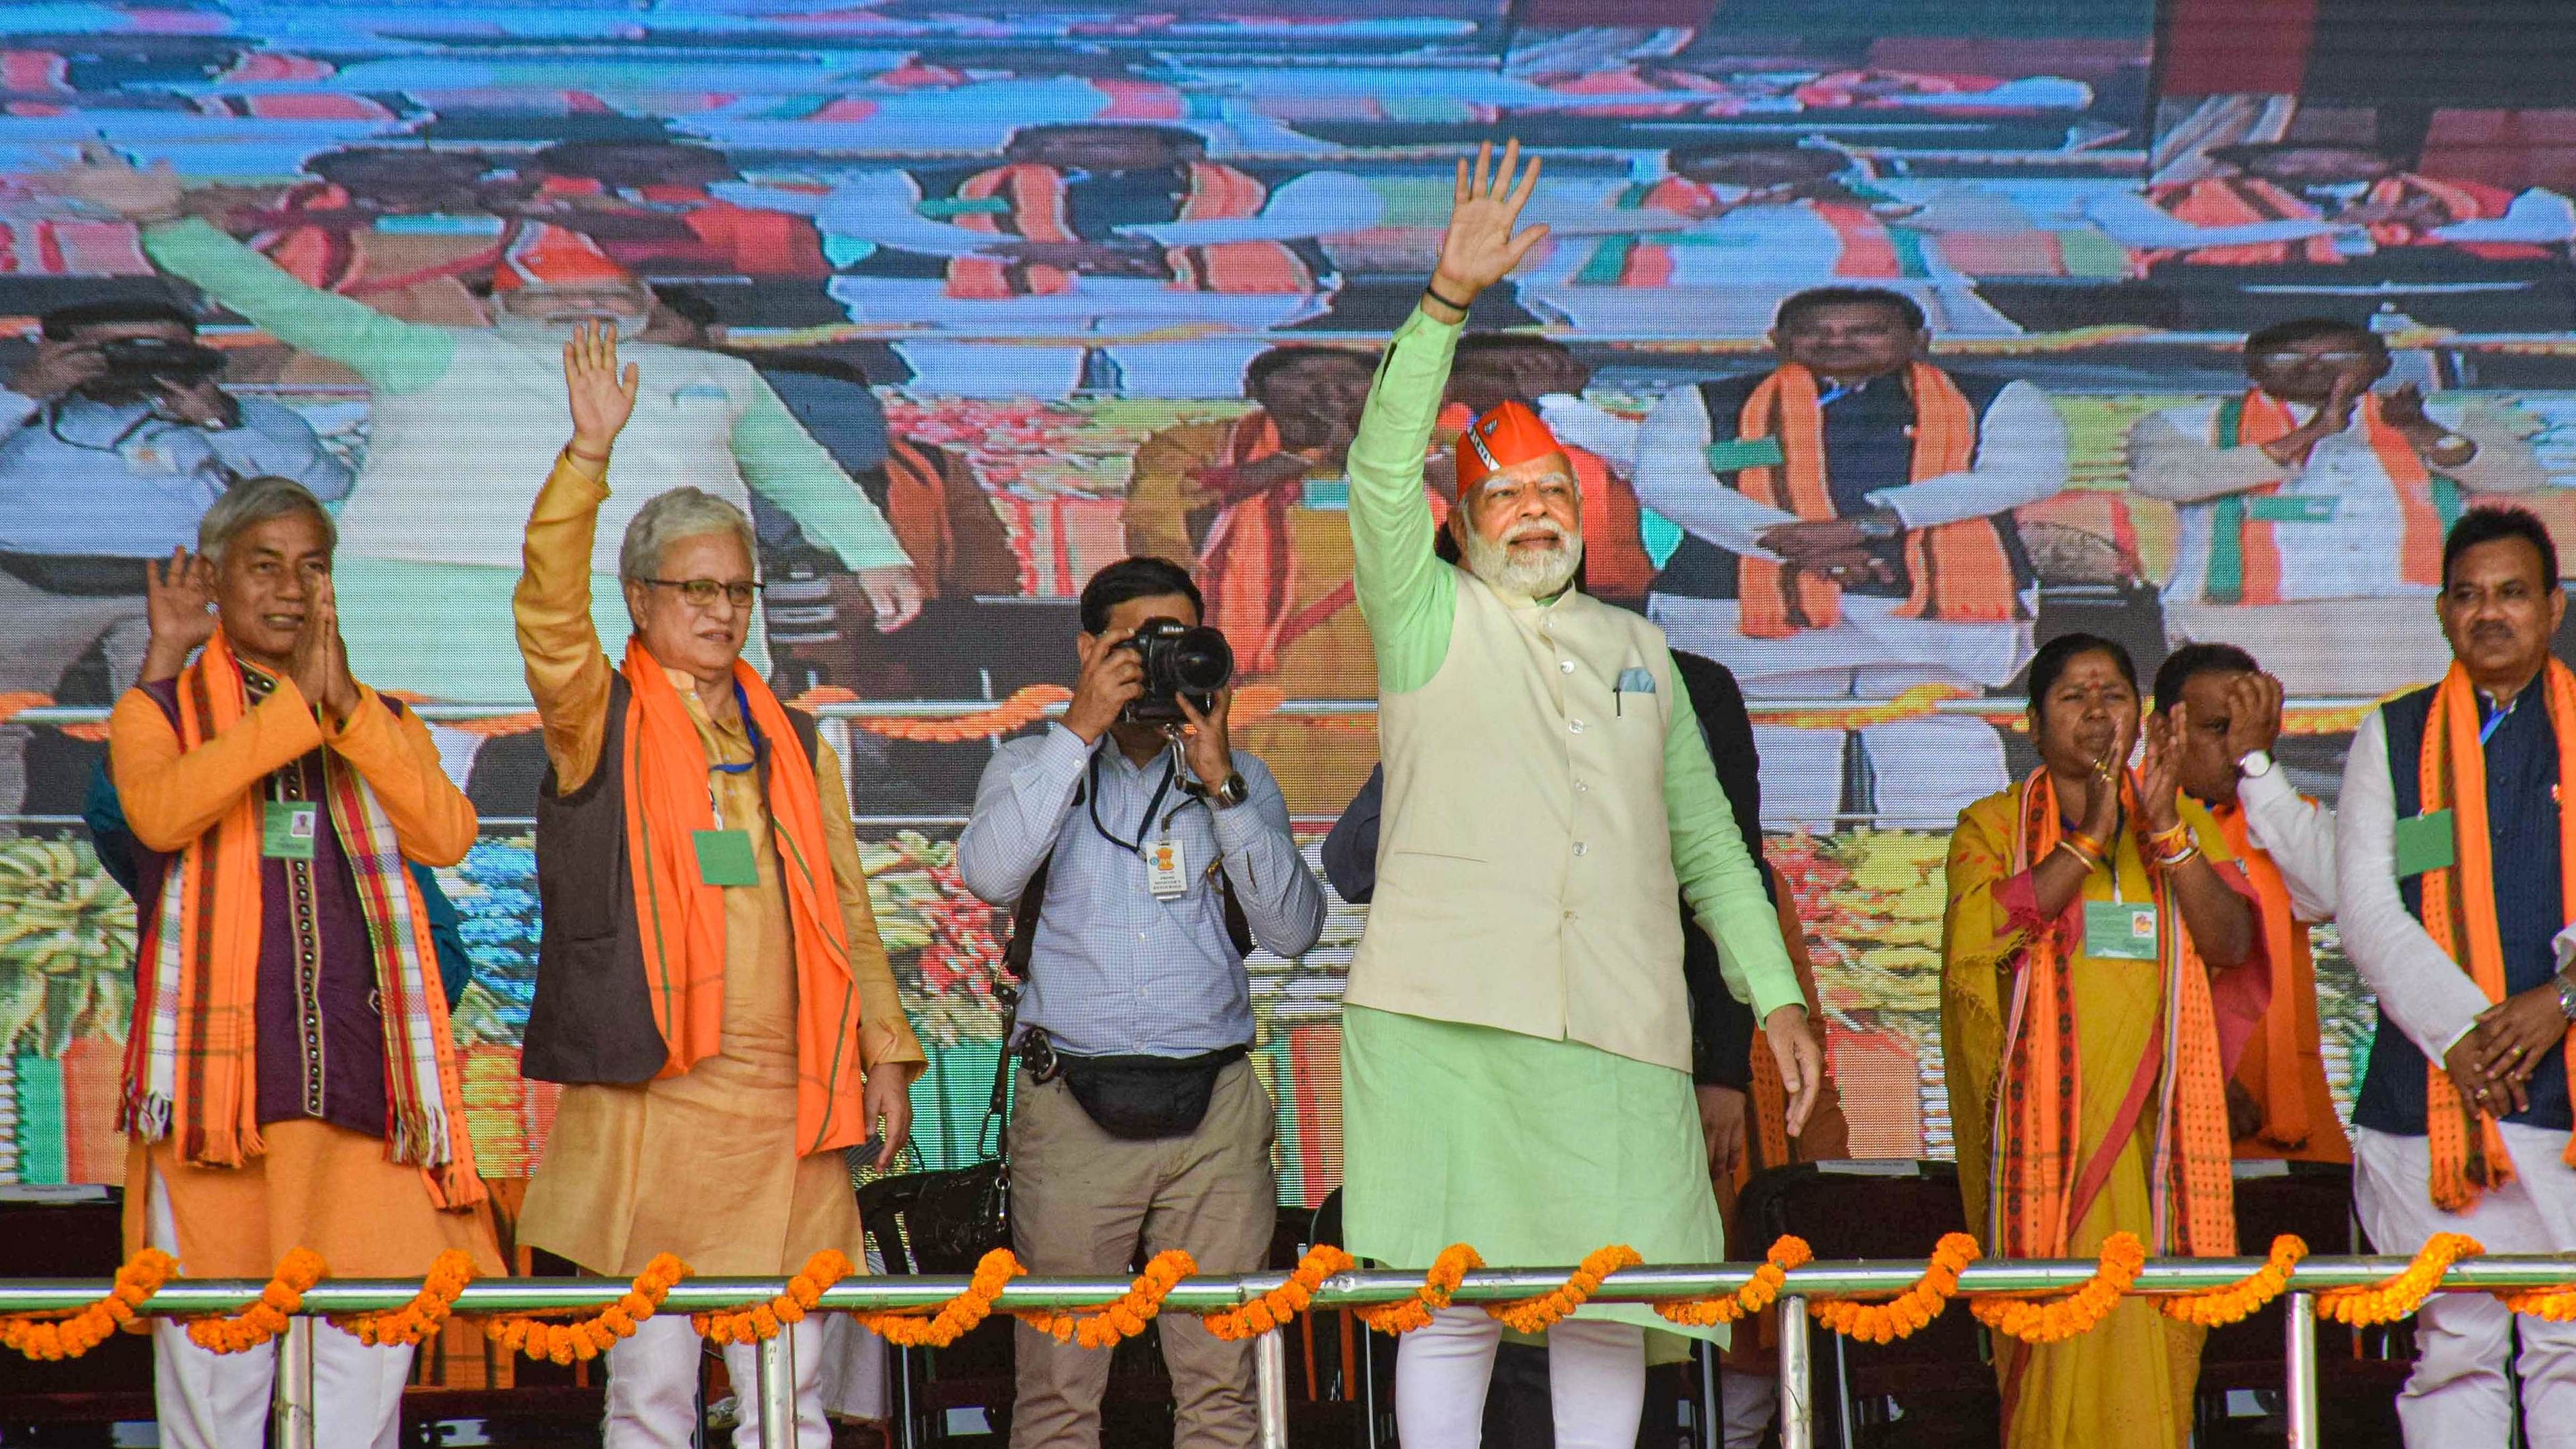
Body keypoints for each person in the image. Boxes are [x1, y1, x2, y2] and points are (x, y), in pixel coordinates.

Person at [1338, 140, 1820, 1448]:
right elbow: (1379, 473)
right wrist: (1446, 301)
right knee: (1453, 1304)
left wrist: (1772, 995)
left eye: (1556, 491)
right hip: (1445, 1027)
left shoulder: (1642, 653)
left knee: (1610, 1301)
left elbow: (1711, 848)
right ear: (1466, 518)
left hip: (1617, 1028)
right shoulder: (1424, 619)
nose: (1538, 511)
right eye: (1510, 495)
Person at [38, 146, 925, 706]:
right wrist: (166, 223)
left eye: (603, 295)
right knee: (413, 795)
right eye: (555, 295)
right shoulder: (426, 352)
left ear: (644, 307)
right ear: (503, 307)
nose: (580, 308)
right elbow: (283, 304)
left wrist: (876, 553)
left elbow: (802, 472)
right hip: (434, 608)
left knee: (653, 804)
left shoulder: (716, 376)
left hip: (642, 606)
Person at [512, 325, 926, 1449]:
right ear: (639, 599)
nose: (719, 611)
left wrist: (883, 1051)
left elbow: (847, 909)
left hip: (789, 1103)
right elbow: (545, 613)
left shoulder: (791, 739)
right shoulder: (598, 715)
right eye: (693, 589)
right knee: (651, 1389)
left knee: (786, 1393)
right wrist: (588, 457)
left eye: (736, 590)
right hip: (660, 1090)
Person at [1321, 645, 1847, 1448]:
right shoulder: (1449, 683)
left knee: (1607, 1302)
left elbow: (1725, 865)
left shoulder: (1677, 683)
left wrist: (1727, 1061)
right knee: (1456, 1311)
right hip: (1472, 1068)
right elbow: (1352, 866)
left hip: (1620, 1061)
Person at [104, 475, 501, 1448]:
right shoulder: (155, 712)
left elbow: (448, 833)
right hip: (220, 1115)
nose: (289, 590)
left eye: (311, 568)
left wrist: (348, 711)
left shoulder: (378, 718)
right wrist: (294, 715)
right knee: (214, 1408)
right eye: (265, 566)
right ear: (220, 583)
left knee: (358, 1407)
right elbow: (159, 815)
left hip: (366, 1108)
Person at [953, 554, 1325, 1449]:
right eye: (1138, 643)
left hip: (1215, 1115)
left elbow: (1293, 931)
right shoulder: (1029, 764)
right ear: (1088, 648)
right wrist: (1078, 731)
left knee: (1221, 1388)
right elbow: (990, 874)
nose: (1161, 662)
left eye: (1179, 642)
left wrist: (1222, 783)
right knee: (1058, 1389)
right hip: (1073, 1104)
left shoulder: (1237, 774)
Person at [1942, 632, 2269, 1448]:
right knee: (2056, 1366)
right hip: (2043, 1155)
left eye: (2113, 695)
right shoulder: (1987, 827)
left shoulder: (2183, 817)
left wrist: (2164, 834)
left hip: (2156, 1148)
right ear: (2031, 723)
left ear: (2143, 715)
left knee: (2147, 1368)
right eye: (2073, 697)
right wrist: (2089, 835)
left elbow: (2231, 942)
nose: (2096, 714)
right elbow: (1989, 932)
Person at [1632, 285, 2069, 828]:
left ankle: (1932, 892)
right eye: (1818, 330)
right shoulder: (1702, 400)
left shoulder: (2000, 397)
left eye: (1865, 329)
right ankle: (1788, 893)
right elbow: (1665, 483)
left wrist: (1877, 522)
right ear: (1777, 340)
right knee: (1771, 760)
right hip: (1751, 617)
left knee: (1938, 752)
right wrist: (1787, 538)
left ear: (1920, 339)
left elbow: (2028, 473)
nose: (1838, 342)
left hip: (1929, 621)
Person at [2337, 505, 2576, 1444]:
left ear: (2552, 609)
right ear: (2440, 614)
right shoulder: (2392, 735)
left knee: (2569, 1340)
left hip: (2564, 1100)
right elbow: (2365, 908)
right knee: (2454, 1346)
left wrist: (2559, 1003)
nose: (2490, 614)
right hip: (2425, 1093)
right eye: (2470, 596)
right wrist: (2469, 1034)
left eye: (2512, 594)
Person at [0, 296, 352, 827]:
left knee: (197, 728)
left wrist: (217, 420)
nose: (138, 361)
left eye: (159, 349)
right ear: (53, 348)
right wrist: (25, 391)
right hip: (27, 586)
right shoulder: (22, 408)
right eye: (115, 350)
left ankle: (208, 859)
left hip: (179, 588)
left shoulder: (243, 416)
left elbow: (322, 485)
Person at [83, 545, 477, 1010]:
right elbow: (122, 827)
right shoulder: (201, 770)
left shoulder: (368, 767)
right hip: (215, 1054)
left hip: (347, 1057)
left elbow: (443, 975)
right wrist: (167, 651)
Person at [743, 123, 1375, 396]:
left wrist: (1168, 247)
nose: (1096, 148)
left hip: (1205, 341)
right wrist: (1013, 248)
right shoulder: (960, 179)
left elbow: (1347, 202)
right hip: (994, 343)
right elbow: (855, 215)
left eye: (1121, 136)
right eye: (1070, 138)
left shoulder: (1240, 181)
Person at [2127, 318, 2544, 694]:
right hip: (2248, 624)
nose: (2314, 367)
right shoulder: (2184, 422)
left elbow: (2524, 477)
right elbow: (2164, 479)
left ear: (2381, 363)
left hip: (2408, 623)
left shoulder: (2445, 416)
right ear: (2252, 366)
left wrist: (2423, 432)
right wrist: (2309, 435)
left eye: (2339, 355)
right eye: (2289, 356)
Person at [1124, 343, 1378, 810]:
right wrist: (1304, 458)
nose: (1330, 391)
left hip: (1371, 683)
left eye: (1352, 376)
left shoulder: (1418, 451)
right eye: (1305, 375)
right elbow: (1158, 528)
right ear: (1254, 387)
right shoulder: (1197, 446)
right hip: (1249, 687)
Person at [2151, 643, 2350, 1163]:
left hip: (2294, 1121)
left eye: (2251, 730)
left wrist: (2258, 763)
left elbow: (2329, 894)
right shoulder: (2130, 829)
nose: (2237, 748)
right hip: (2168, 1121)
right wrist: (2200, 1072)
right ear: (2162, 731)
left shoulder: (2286, 815)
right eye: (2220, 730)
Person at [1512, 143, 2022, 340]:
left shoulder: (1875, 200)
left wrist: (1887, 205)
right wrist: (1666, 217)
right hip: (1643, 339)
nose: (1762, 169)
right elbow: (1520, 218)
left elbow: (2006, 219)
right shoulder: (1628, 195)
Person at [2090, 142, 2576, 331]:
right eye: (2298, 156)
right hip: (2250, 301)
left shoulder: (2428, 192)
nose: (2321, 162)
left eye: (2342, 154)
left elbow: (2556, 222)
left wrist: (2434, 225)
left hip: (2438, 295)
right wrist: (2331, 226)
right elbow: (2128, 222)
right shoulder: (2207, 193)